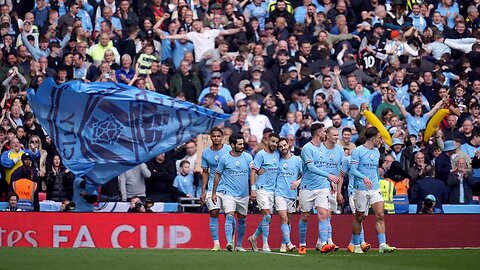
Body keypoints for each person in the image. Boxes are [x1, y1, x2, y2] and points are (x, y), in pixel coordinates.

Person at [350, 127, 396, 253]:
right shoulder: (358, 151)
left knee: (380, 215)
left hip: (374, 188)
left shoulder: (376, 152)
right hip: (361, 189)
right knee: (359, 217)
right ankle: (357, 244)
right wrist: (363, 177)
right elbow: (353, 170)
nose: (380, 140)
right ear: (373, 138)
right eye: (379, 137)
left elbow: (375, 170)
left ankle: (382, 244)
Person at [297, 123, 339, 255]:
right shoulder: (307, 148)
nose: (326, 134)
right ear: (318, 133)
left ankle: (323, 244)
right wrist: (329, 176)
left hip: (323, 187)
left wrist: (330, 181)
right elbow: (311, 168)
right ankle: (302, 244)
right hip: (307, 187)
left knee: (323, 214)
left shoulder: (325, 148)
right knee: (305, 216)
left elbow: (325, 167)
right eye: (324, 131)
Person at [212, 134, 253, 252]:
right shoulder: (224, 158)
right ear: (232, 145)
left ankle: (239, 245)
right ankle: (229, 242)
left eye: (242, 143)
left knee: (242, 219)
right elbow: (218, 175)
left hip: (244, 195)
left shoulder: (248, 157)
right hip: (229, 193)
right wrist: (214, 192)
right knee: (229, 215)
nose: (242, 146)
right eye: (239, 144)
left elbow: (253, 171)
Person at [200, 127, 232, 251]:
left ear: (222, 137)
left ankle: (230, 241)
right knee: (214, 212)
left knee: (229, 215)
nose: (216, 138)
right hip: (213, 188)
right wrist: (203, 191)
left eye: (218, 136)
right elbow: (205, 172)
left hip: (229, 187)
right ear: (210, 137)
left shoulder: (229, 150)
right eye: (214, 136)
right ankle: (216, 243)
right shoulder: (206, 153)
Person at [248, 132, 280, 252]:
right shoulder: (260, 155)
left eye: (276, 142)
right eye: (272, 141)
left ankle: (253, 238)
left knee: (268, 218)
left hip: (273, 190)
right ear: (267, 141)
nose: (274, 144)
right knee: (266, 215)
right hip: (261, 189)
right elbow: (253, 172)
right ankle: (265, 244)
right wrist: (253, 190)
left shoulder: (278, 154)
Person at [275, 137, 301, 252]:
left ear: (289, 145)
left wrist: (297, 182)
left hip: (291, 194)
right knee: (283, 217)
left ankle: (283, 244)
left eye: (284, 145)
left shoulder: (297, 160)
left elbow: (305, 174)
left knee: (289, 219)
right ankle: (289, 243)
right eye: (280, 146)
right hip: (279, 193)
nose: (283, 148)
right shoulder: (277, 160)